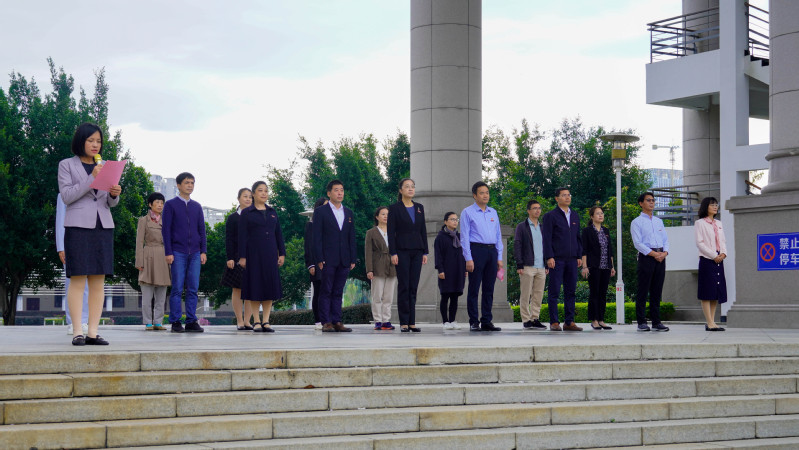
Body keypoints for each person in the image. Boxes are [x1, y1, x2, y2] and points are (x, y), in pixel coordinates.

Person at [57, 122, 122, 346]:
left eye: (99, 141)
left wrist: (114, 194)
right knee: (77, 279)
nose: (95, 145)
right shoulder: (66, 165)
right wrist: (91, 178)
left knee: (98, 280)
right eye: (91, 140)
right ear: (81, 141)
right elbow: (67, 196)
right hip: (77, 227)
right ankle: (77, 331)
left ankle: (93, 332)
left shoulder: (104, 165)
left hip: (102, 226)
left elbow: (108, 202)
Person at [162, 172, 207, 333]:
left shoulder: (197, 206)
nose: (190, 185)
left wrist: (203, 251)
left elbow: (202, 230)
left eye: (192, 183)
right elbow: (166, 230)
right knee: (177, 288)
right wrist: (168, 252)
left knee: (193, 288)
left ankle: (191, 321)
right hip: (177, 251)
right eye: (187, 182)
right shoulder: (170, 205)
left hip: (195, 252)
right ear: (178, 185)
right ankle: (175, 321)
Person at [238, 181, 285, 333]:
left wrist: (282, 253)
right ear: (253, 194)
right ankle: (256, 321)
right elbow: (242, 236)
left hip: (270, 254)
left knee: (269, 286)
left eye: (266, 191)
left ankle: (266, 320)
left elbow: (278, 234)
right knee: (255, 286)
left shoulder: (272, 211)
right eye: (260, 190)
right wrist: (242, 256)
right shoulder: (247, 213)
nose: (264, 193)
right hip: (253, 255)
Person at [313, 180, 357, 333]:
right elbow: (316, 237)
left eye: (342, 190)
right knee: (326, 290)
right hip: (327, 258)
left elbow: (351, 236)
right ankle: (326, 322)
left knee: (338, 291)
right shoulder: (321, 212)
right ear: (329, 193)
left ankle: (337, 321)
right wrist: (319, 258)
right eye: (336, 190)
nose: (340, 193)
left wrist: (353, 258)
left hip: (344, 258)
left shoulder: (348, 212)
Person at [460, 181, 503, 332]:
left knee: (489, 288)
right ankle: (473, 321)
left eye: (487, 192)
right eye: (482, 193)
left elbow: (498, 235)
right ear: (474, 195)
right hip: (476, 250)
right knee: (474, 288)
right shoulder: (467, 212)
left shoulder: (493, 212)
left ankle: (486, 320)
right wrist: (468, 258)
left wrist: (499, 256)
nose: (485, 195)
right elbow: (464, 237)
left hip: (492, 251)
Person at [387, 178, 428, 332]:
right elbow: (391, 232)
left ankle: (412, 322)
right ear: (401, 190)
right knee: (404, 285)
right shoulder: (394, 208)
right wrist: (393, 252)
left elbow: (423, 230)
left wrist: (425, 251)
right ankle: (404, 322)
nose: (411, 189)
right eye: (407, 186)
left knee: (413, 286)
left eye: (412, 187)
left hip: (417, 250)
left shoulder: (419, 207)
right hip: (402, 250)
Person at [543, 188, 583, 332]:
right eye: (564, 195)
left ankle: (569, 322)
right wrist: (549, 256)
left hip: (572, 259)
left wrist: (579, 255)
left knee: (570, 291)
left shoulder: (575, 215)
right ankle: (554, 322)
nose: (567, 197)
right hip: (557, 259)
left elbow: (578, 237)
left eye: (569, 195)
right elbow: (546, 238)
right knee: (554, 291)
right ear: (557, 198)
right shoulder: (550, 216)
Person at [631, 191, 670, 332]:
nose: (652, 202)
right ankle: (641, 322)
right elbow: (638, 243)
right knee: (643, 290)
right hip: (647, 257)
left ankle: (656, 322)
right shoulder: (636, 222)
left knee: (657, 290)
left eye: (653, 200)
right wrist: (653, 254)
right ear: (641, 203)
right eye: (648, 200)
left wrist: (664, 253)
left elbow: (665, 240)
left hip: (660, 257)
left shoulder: (659, 221)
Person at [135, 192, 171, 331]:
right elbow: (139, 242)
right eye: (157, 202)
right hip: (148, 256)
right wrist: (139, 261)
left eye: (162, 203)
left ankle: (158, 322)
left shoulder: (166, 220)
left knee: (161, 294)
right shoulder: (143, 220)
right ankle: (148, 322)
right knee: (147, 294)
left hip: (163, 257)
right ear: (150, 204)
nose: (160, 205)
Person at [56, 193, 89, 336]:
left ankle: (84, 321)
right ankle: (72, 322)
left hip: (90, 242)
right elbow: (60, 219)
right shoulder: (64, 193)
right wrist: (61, 247)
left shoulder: (92, 192)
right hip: (70, 243)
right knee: (72, 284)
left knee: (87, 284)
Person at [222, 188, 255, 330]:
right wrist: (230, 257)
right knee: (237, 289)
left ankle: (247, 321)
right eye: (245, 196)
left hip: (254, 256)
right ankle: (239, 320)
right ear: (239, 199)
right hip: (236, 256)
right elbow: (229, 239)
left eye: (250, 197)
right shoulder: (233, 218)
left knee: (251, 289)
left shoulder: (256, 216)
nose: (248, 199)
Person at [694, 197, 727, 331]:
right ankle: (709, 322)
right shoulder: (700, 223)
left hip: (719, 259)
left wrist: (723, 254)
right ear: (705, 206)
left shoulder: (719, 223)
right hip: (707, 260)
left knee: (715, 291)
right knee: (707, 291)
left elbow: (723, 241)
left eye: (716, 204)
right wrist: (714, 255)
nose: (715, 207)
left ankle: (712, 322)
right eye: (712, 204)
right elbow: (699, 243)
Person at [513, 199, 547, 330]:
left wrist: (547, 263)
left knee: (538, 295)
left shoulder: (543, 227)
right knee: (526, 294)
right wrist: (519, 264)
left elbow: (547, 246)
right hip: (527, 266)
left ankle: (535, 318)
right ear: (528, 211)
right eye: (534, 208)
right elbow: (517, 245)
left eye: (539, 208)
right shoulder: (522, 227)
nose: (537, 210)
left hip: (541, 266)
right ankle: (526, 319)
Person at [580, 205, 616, 330]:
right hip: (593, 266)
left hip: (606, 266)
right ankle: (594, 319)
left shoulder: (606, 231)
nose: (601, 215)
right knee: (594, 293)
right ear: (592, 216)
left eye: (602, 213)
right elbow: (584, 250)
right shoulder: (587, 231)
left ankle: (601, 319)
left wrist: (612, 266)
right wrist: (585, 266)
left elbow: (610, 250)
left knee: (603, 293)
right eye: (597, 213)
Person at [365, 206, 397, 330]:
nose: (385, 216)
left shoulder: (394, 231)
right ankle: (377, 320)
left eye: (388, 214)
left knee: (388, 296)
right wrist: (369, 269)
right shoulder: (371, 232)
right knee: (377, 295)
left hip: (392, 265)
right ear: (377, 216)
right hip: (377, 265)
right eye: (383, 214)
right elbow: (368, 252)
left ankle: (386, 320)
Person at [435, 212, 466, 330]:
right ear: (445, 221)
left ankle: (452, 320)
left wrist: (465, 268)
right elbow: (438, 255)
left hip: (458, 270)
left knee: (455, 296)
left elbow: (464, 253)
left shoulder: (460, 236)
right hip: (446, 270)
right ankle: (445, 321)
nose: (455, 221)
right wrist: (440, 270)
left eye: (456, 219)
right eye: (452, 219)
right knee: (445, 295)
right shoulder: (440, 237)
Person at [304, 197, 328, 330]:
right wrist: (311, 264)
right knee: (318, 292)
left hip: (329, 263)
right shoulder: (311, 224)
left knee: (328, 292)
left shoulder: (330, 224)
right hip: (316, 264)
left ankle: (328, 319)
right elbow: (308, 246)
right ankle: (318, 320)